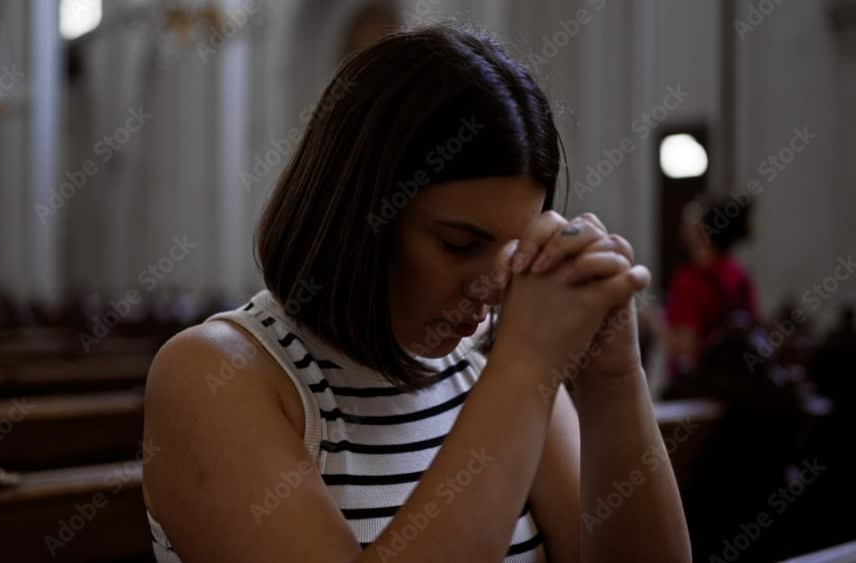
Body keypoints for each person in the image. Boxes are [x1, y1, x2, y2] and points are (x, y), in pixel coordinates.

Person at [142, 24, 690, 563]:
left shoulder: (488, 369)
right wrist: (524, 368)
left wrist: (612, 384)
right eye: (458, 244)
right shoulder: (217, 374)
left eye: (512, 252)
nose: (496, 289)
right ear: (359, 219)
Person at [662, 195, 760, 390]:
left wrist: (654, 322)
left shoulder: (689, 281)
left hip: (700, 390)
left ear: (701, 230)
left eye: (690, 219)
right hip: (741, 386)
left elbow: (685, 350)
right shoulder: (739, 274)